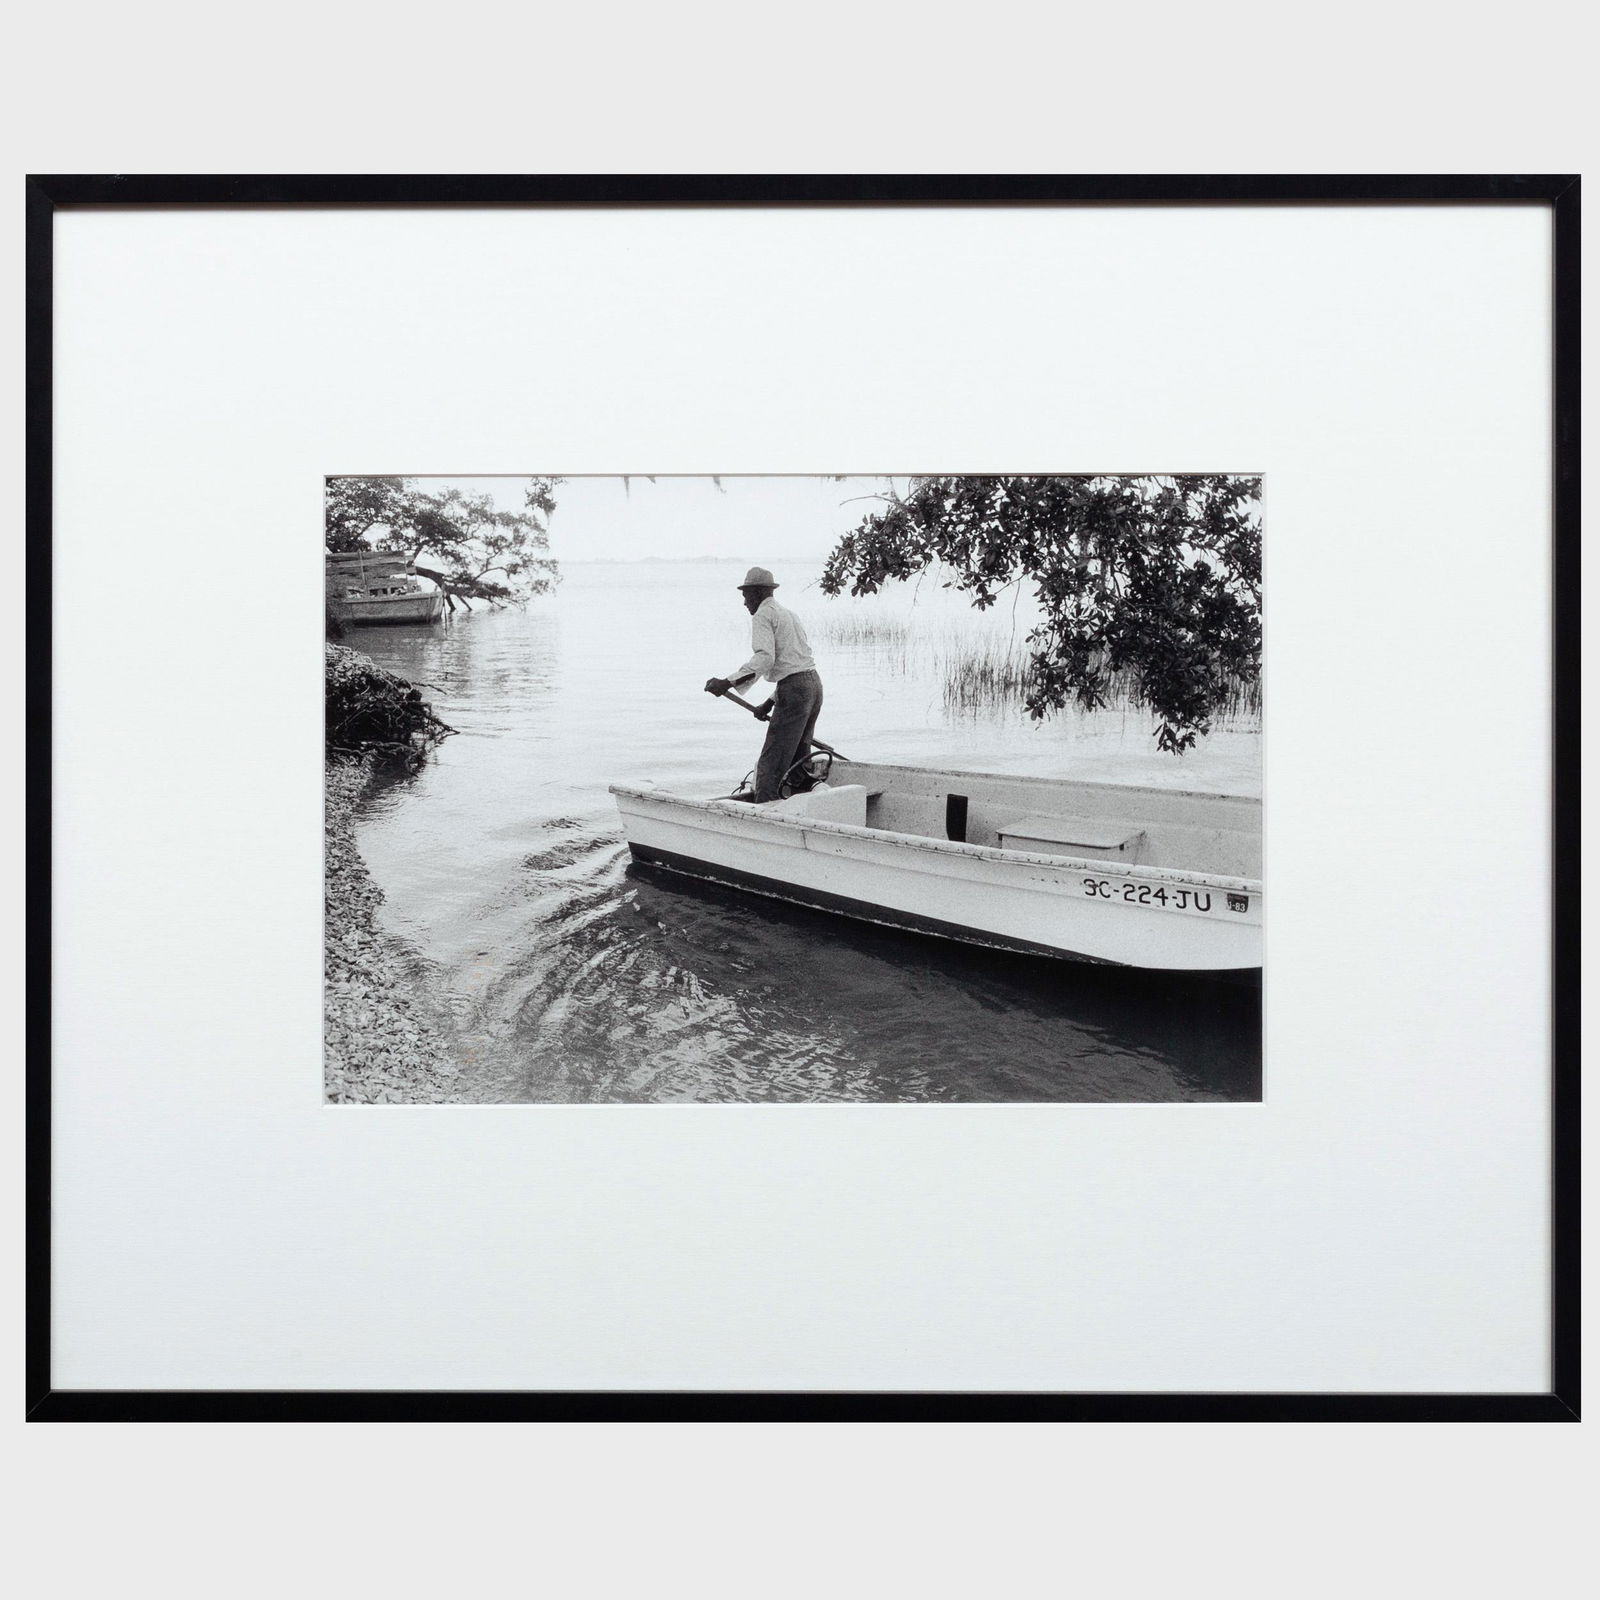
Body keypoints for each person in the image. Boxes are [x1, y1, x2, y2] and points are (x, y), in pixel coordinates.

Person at [704, 566, 824, 802]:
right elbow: (795, 666)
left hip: (795, 690)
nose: (744, 602)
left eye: (746, 596)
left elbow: (765, 658)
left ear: (758, 592)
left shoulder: (762, 615)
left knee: (771, 764)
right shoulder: (789, 614)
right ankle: (804, 804)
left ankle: (765, 809)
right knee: (799, 759)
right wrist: (769, 704)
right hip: (813, 686)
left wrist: (727, 683)